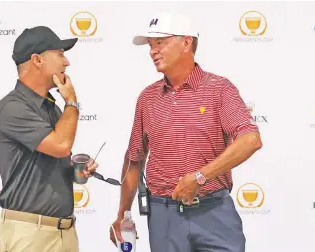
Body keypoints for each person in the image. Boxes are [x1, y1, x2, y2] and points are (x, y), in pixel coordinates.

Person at [109, 12, 262, 252]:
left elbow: (250, 139)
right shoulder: (147, 98)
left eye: (160, 43)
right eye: (150, 45)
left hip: (214, 212)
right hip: (164, 216)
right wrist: (123, 214)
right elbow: (134, 159)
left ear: (186, 43)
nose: (153, 51)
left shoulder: (219, 89)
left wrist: (200, 177)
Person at [0, 26, 98, 252]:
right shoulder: (12, 108)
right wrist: (71, 101)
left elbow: (51, 159)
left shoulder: (51, 108)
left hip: (64, 232)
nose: (66, 62)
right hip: (30, 235)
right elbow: (60, 146)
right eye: (60, 54)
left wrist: (76, 170)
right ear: (37, 60)